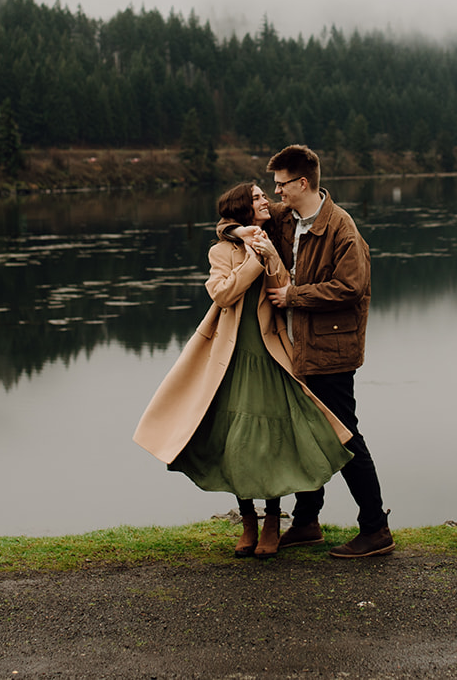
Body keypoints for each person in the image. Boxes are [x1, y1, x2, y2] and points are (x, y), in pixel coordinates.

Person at [134, 181, 354, 558]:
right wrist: (252, 256)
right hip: (230, 357)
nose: (265, 200)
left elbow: (284, 290)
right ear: (242, 208)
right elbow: (223, 293)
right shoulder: (221, 250)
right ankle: (248, 520)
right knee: (235, 442)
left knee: (271, 441)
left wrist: (270, 258)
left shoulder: (272, 240)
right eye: (256, 198)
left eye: (265, 195)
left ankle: (273, 520)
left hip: (271, 353)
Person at [264, 144, 394, 558]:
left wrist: (294, 296)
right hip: (299, 346)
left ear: (303, 183)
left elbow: (350, 287)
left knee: (344, 437)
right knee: (307, 432)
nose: (277, 193)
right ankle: (307, 522)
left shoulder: (342, 229)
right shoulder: (287, 219)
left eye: (282, 185)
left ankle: (376, 529)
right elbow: (239, 219)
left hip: (332, 350)